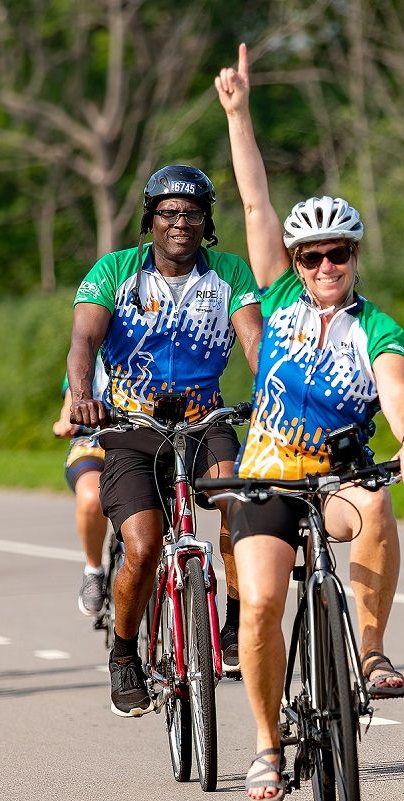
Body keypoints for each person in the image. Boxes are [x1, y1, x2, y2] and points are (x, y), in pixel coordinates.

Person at [215, 44, 404, 801]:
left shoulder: (377, 326)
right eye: (311, 257)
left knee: (377, 504)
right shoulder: (276, 304)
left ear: (354, 257)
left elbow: (395, 385)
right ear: (295, 263)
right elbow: (252, 205)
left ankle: (370, 653)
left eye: (337, 255)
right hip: (268, 475)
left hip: (339, 477)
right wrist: (240, 115)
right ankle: (269, 746)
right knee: (265, 603)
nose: (324, 268)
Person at [67, 164, 264, 717]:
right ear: (150, 219)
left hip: (206, 421)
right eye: (170, 213)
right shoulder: (116, 271)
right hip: (133, 427)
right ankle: (125, 654)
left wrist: (273, 394)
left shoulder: (229, 273)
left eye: (194, 214)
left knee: (240, 508)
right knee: (145, 545)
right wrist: (82, 394)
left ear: (207, 223)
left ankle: (229, 622)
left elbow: (256, 342)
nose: (182, 223)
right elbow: (84, 339)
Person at [52, 354, 110, 619]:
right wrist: (66, 419)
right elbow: (71, 399)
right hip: (93, 442)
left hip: (144, 438)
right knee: (91, 498)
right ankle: (93, 569)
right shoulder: (90, 346)